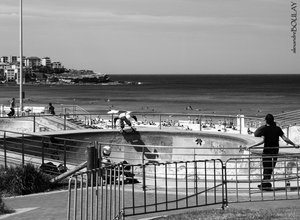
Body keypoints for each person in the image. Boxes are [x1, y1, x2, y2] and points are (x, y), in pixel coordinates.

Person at [247, 113, 299, 190]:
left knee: (266, 168)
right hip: (275, 152)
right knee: (270, 168)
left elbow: (259, 137)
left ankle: (266, 185)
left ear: (266, 121)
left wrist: (252, 146)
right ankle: (266, 184)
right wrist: (294, 144)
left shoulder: (265, 129)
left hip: (267, 152)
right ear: (273, 120)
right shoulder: (278, 129)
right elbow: (285, 139)